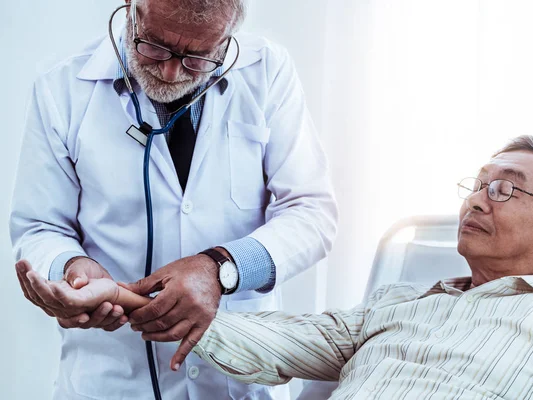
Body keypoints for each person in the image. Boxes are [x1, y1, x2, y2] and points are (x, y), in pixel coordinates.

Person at [28, 135, 533, 400]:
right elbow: (274, 341)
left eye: (504, 190)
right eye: (475, 185)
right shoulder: (397, 303)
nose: (475, 200)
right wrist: (120, 296)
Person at [10, 0, 337, 398]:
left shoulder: (266, 72)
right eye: (155, 45)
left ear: (228, 35)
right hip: (112, 377)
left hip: (237, 380)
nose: (170, 71)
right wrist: (71, 266)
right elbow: (41, 226)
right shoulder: (61, 87)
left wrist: (221, 269)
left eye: (197, 56)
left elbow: (312, 213)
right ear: (131, 8)